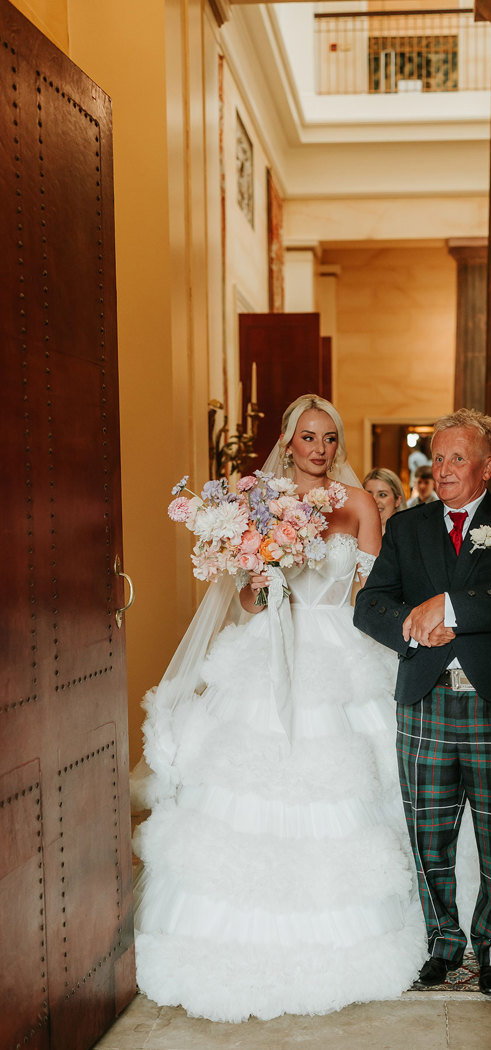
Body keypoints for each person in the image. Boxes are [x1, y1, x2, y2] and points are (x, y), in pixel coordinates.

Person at [133, 394, 433, 1023]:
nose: (320, 449)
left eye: (330, 438)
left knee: (349, 776)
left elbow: (373, 593)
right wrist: (257, 581)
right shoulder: (260, 505)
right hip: (271, 645)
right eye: (308, 437)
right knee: (249, 778)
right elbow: (243, 601)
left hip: (339, 648)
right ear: (289, 442)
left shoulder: (357, 506)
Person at [354, 408, 491, 997]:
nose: (443, 469)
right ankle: (443, 944)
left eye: (457, 458)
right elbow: (371, 605)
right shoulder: (408, 527)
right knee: (430, 833)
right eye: (437, 457)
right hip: (425, 700)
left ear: (487, 466)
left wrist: (454, 607)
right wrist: (413, 626)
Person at [362, 467, 406, 533]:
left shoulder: (408, 535)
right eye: (369, 495)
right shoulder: (356, 532)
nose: (374, 500)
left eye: (382, 495)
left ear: (397, 500)